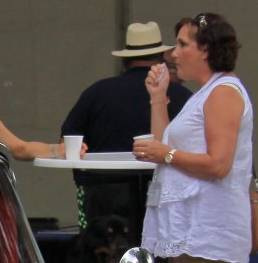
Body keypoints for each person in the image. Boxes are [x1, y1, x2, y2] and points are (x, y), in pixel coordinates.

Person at [132, 12, 255, 263]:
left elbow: (218, 164)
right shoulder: (206, 93)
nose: (173, 53)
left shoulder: (223, 92)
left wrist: (167, 155)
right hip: (187, 230)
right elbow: (165, 143)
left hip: (204, 230)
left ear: (206, 50)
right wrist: (158, 99)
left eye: (182, 44)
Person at [60, 21, 192, 237]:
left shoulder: (96, 92)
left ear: (124, 59)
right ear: (162, 58)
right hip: (163, 195)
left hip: (101, 195)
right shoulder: (183, 96)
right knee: (158, 254)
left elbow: (67, 141)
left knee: (102, 252)